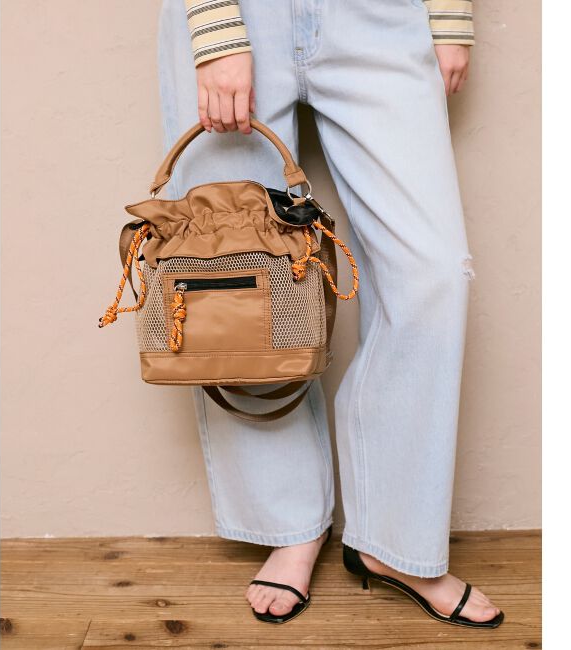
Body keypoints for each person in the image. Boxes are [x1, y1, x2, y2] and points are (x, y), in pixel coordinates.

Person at [156, 0, 503, 627]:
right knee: (237, 282)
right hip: (242, 13)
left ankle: (394, 541)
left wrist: (451, 12)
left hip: (383, 16)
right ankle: (289, 525)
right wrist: (215, 26)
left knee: (431, 273)